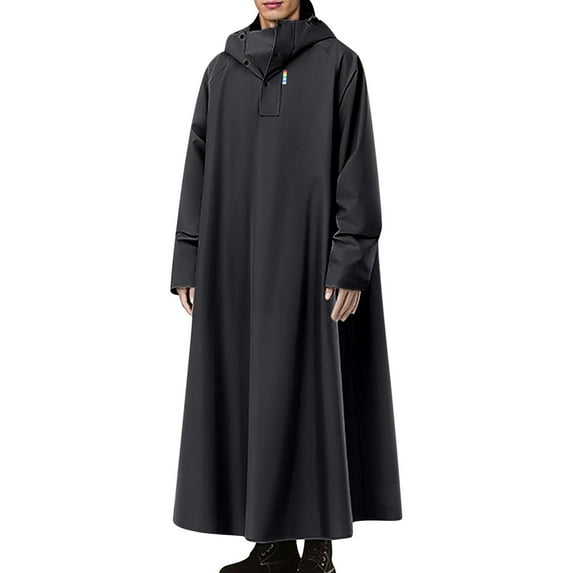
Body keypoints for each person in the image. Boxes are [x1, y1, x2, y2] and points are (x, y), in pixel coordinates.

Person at [169, 0, 402, 571]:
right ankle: (271, 546)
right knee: (252, 392)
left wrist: (350, 259)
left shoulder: (338, 64)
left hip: (311, 260)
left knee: (314, 392)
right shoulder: (221, 71)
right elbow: (198, 163)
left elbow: (357, 164)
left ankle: (318, 548)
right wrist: (188, 257)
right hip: (234, 264)